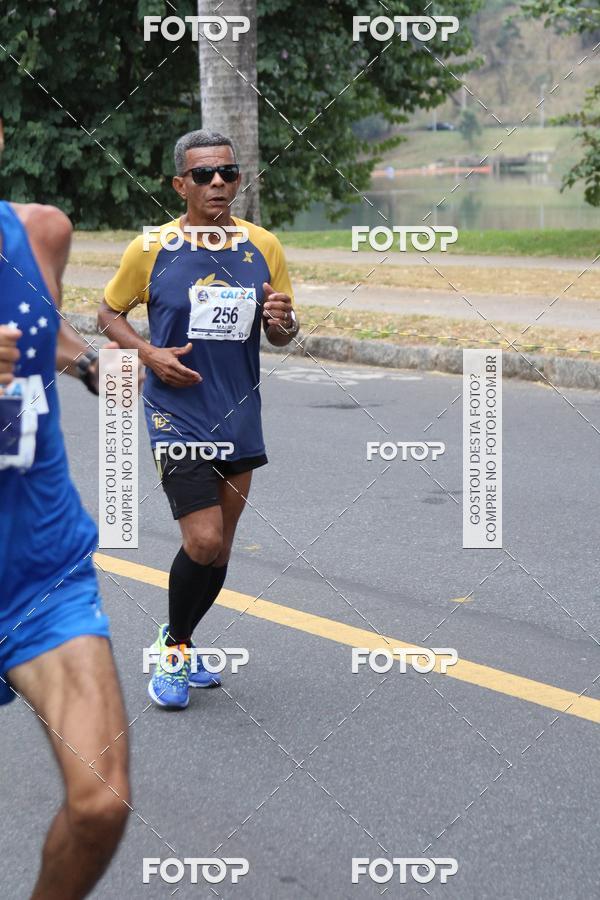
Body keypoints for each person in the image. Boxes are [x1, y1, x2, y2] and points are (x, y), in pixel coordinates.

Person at [98, 129, 299, 709]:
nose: (218, 183)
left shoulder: (263, 246)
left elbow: (283, 334)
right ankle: (177, 653)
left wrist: (282, 320)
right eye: (205, 174)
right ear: (179, 184)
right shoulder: (151, 248)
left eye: (228, 173)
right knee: (202, 537)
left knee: (220, 549)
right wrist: (148, 353)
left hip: (238, 414)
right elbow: (108, 312)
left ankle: (176, 637)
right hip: (176, 415)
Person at [0, 118, 130, 898]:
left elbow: (40, 330)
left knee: (100, 804)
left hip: (39, 572)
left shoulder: (41, 231)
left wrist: (87, 362)